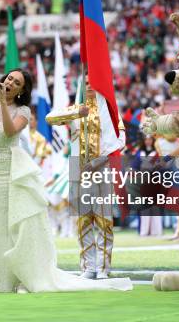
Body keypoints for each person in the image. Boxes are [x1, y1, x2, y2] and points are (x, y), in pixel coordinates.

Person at [0, 69, 132, 293]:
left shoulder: (23, 111)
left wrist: (4, 105)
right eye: (9, 79)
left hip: (14, 172)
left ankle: (20, 277)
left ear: (22, 90)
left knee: (15, 225)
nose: (10, 83)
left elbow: (8, 131)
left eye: (17, 82)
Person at [48, 79, 127, 279]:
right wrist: (76, 113)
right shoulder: (76, 109)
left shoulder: (111, 113)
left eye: (94, 82)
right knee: (82, 221)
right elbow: (50, 118)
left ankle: (103, 267)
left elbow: (121, 141)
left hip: (102, 168)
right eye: (86, 83)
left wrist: (100, 161)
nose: (90, 86)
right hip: (78, 169)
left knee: (103, 220)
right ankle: (88, 267)